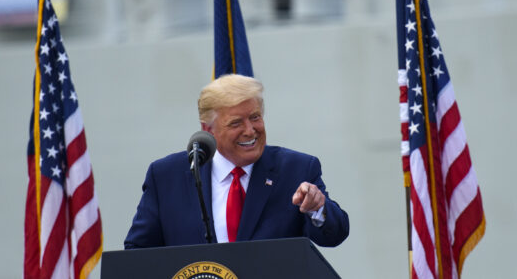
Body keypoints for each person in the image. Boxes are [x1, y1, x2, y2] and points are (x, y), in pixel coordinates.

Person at [124, 74, 349, 248]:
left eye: (255, 117)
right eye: (236, 123)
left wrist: (318, 208)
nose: (250, 131)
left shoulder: (296, 169)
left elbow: (335, 233)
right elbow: (137, 253)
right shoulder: (166, 177)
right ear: (208, 129)